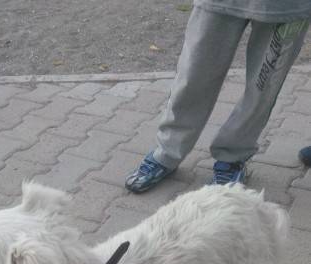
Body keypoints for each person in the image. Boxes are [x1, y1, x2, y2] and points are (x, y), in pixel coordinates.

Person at [125, 1, 311, 192]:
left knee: (263, 87)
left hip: (288, 7)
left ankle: (232, 157)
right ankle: (167, 151)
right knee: (193, 76)